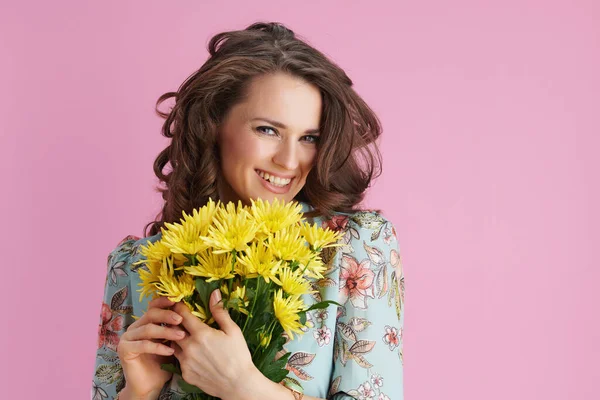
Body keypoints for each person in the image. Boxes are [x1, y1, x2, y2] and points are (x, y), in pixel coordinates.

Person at [92, 22, 405, 400]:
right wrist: (138, 393)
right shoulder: (136, 265)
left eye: (309, 138)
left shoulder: (355, 249)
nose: (289, 161)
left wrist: (244, 387)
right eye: (268, 130)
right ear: (213, 126)